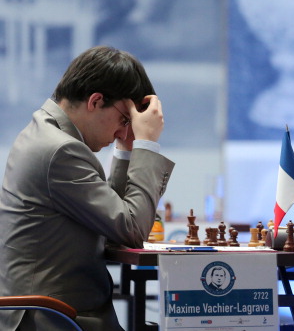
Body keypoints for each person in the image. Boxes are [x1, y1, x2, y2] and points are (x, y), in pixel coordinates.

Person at [0, 46, 175, 331]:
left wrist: (127, 148)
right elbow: (131, 229)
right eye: (124, 120)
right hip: (55, 317)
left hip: (59, 311)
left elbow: (112, 218)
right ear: (95, 101)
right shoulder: (59, 149)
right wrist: (147, 144)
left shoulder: (46, 133)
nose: (124, 131)